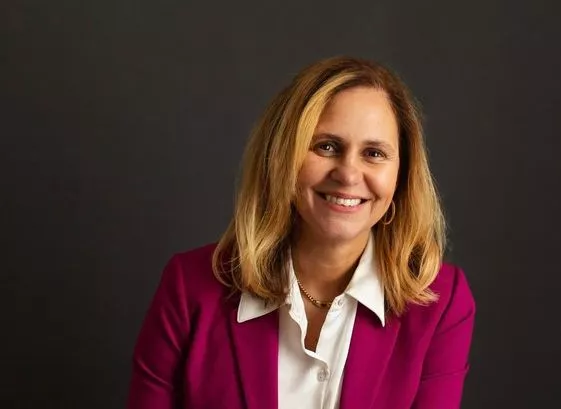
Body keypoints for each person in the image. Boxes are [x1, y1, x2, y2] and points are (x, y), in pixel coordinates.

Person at [127, 56, 475, 409]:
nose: (349, 174)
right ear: (282, 156)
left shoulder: (442, 303)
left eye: (374, 153)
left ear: (401, 177)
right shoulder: (189, 288)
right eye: (326, 146)